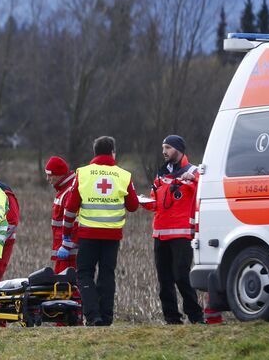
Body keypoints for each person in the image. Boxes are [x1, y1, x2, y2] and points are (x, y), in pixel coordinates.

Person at [62, 136, 139, 326]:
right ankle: (107, 317)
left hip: (88, 235)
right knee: (107, 274)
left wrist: (66, 233)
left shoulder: (83, 173)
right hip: (112, 236)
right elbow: (133, 206)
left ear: (94, 152)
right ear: (113, 152)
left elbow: (71, 207)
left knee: (85, 274)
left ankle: (93, 316)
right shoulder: (124, 175)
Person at [141, 135, 204, 324]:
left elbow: (202, 195)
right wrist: (144, 202)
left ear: (179, 149)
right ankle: (171, 318)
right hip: (160, 232)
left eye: (168, 147)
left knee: (181, 276)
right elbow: (155, 203)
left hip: (182, 233)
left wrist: (192, 180)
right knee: (164, 279)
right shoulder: (161, 174)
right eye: (163, 148)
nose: (164, 152)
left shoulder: (195, 172)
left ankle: (195, 316)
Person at [44, 156, 77, 273]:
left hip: (71, 254)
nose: (47, 179)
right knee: (61, 287)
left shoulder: (69, 192)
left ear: (60, 174)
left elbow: (75, 222)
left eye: (50, 175)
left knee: (69, 288)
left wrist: (67, 246)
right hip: (64, 252)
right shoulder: (63, 191)